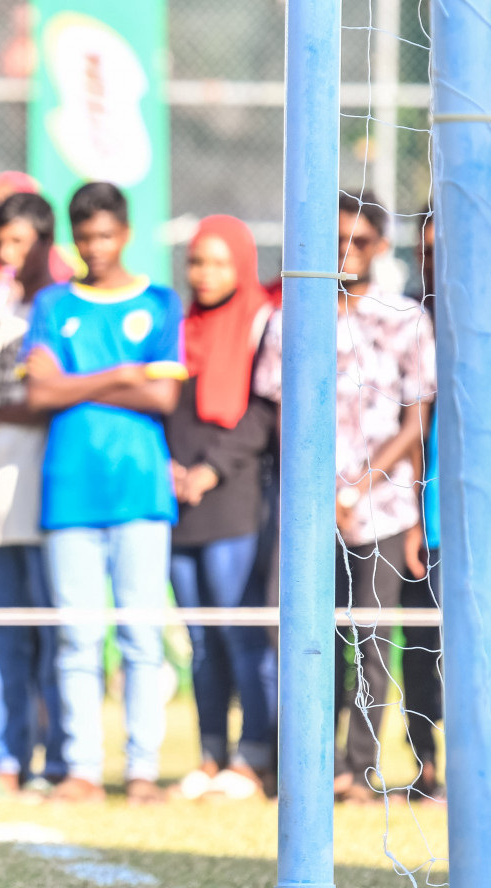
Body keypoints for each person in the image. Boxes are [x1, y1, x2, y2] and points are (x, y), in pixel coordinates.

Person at [253, 191, 435, 804]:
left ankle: (359, 769)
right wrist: (320, 489)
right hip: (308, 508)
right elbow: (281, 413)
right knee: (299, 631)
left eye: (357, 240)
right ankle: (309, 764)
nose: (344, 251)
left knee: (374, 637)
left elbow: (417, 419)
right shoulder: (290, 317)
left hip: (384, 507)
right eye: (333, 240)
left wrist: (361, 486)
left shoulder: (406, 317)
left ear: (380, 246)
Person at [24, 182, 184, 805]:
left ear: (126, 231)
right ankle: (83, 769)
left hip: (141, 490)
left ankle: (142, 768)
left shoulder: (162, 303)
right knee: (77, 636)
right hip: (69, 492)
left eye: (106, 234)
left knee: (143, 636)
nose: (96, 246)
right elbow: (38, 395)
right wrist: (121, 373)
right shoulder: (52, 303)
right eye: (85, 236)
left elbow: (163, 397)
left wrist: (74, 382)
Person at [0, 191, 66, 795]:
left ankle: (53, 760)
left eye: (19, 242)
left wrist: (21, 408)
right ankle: (5, 759)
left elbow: (52, 401)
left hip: (48, 484)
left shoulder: (61, 304)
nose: (6, 254)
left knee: (52, 629)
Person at [167, 215, 278, 801]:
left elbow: (262, 413)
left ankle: (252, 756)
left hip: (232, 497)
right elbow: (163, 403)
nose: (205, 274)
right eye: (196, 262)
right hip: (178, 502)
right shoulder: (179, 326)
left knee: (241, 632)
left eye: (217, 261)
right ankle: (210, 754)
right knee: (200, 637)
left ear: (240, 263)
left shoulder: (262, 321)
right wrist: (170, 467)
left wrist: (210, 468)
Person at [401, 211, 441, 798]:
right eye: (426, 251)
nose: (435, 263)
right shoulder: (407, 319)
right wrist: (412, 515)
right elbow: (409, 428)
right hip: (425, 515)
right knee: (420, 645)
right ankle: (426, 766)